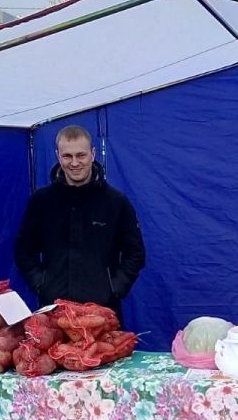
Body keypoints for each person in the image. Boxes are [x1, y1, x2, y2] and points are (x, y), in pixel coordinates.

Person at [14, 125, 145, 321]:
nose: (75, 163)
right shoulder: (41, 202)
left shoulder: (116, 202)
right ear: (58, 156)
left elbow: (135, 253)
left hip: (103, 314)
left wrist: (114, 288)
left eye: (81, 155)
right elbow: (23, 250)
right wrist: (42, 284)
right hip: (53, 313)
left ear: (93, 154)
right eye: (67, 156)